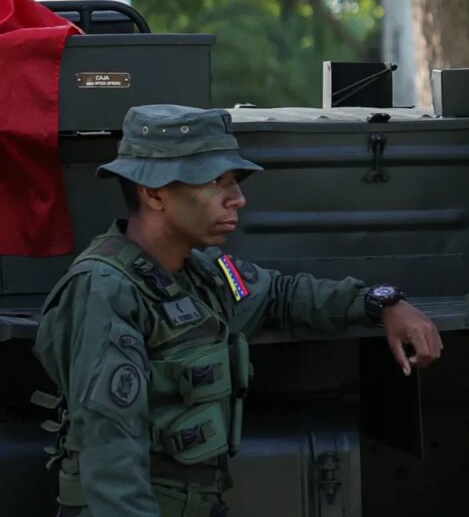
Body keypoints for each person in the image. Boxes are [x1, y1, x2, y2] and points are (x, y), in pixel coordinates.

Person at [31, 104, 444, 517]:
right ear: (153, 192)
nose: (238, 199)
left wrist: (381, 303)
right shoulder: (104, 291)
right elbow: (111, 464)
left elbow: (281, 296)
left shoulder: (200, 272)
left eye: (235, 181)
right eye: (215, 181)